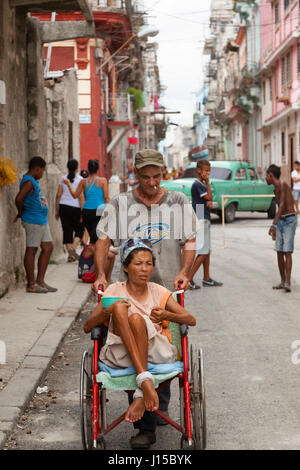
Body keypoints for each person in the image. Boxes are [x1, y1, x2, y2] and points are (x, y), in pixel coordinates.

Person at [92, 148, 198, 449]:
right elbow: (103, 240)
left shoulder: (177, 201)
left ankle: (155, 406)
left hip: (163, 288)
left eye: (156, 177)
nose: (152, 183)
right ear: (135, 175)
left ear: (163, 173)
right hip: (127, 288)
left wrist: (184, 271)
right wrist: (100, 273)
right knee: (131, 341)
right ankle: (147, 421)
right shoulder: (121, 203)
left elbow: (190, 240)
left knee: (164, 344)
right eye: (145, 177)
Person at [84, 238, 196, 448]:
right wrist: (106, 312)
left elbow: (190, 319)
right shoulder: (114, 291)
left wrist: (167, 314)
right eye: (138, 264)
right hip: (121, 353)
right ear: (125, 267)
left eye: (148, 263)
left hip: (156, 350)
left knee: (137, 319)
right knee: (120, 309)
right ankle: (144, 385)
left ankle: (141, 393)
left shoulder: (159, 291)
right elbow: (87, 327)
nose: (144, 269)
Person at [14, 156, 57, 293]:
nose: (42, 174)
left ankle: (40, 281)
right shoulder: (28, 181)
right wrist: (21, 212)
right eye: (42, 171)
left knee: (48, 247)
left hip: (41, 220)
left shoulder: (33, 181)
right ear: (37, 168)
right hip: (33, 220)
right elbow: (19, 199)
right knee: (31, 250)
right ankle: (31, 284)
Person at [188, 159, 223, 290]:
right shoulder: (198, 184)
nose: (208, 173)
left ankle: (206, 278)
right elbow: (209, 198)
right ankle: (189, 279)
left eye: (209, 171)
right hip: (201, 217)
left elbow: (209, 199)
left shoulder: (201, 184)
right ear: (199, 171)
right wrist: (208, 183)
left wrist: (208, 198)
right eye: (206, 171)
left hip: (204, 216)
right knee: (203, 251)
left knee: (207, 250)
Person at [266, 164, 297, 292]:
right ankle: (282, 281)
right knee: (279, 250)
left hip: (289, 220)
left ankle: (288, 282)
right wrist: (276, 225)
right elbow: (279, 208)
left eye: (266, 176)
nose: (265, 179)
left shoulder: (283, 185)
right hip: (281, 221)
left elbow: (283, 205)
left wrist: (273, 224)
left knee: (287, 251)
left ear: (271, 176)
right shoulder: (275, 189)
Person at [64, 159, 109, 245]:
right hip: (99, 210)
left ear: (88, 169)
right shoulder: (103, 181)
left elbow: (74, 195)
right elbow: (106, 198)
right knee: (98, 237)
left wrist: (68, 184)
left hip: (86, 211)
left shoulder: (83, 181)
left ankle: (91, 256)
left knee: (93, 238)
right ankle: (95, 256)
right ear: (98, 169)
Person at [55, 159, 84, 262]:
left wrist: (57, 210)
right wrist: (82, 212)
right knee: (80, 230)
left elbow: (58, 195)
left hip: (64, 207)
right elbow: (80, 197)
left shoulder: (63, 179)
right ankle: (73, 251)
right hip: (76, 208)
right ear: (77, 168)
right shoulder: (81, 179)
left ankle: (70, 253)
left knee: (67, 231)